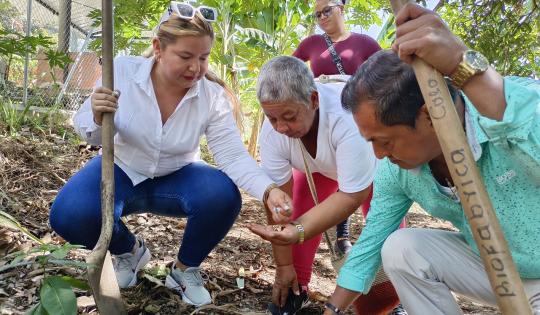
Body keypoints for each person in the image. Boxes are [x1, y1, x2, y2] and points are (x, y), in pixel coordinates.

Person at [48, 2, 291, 307]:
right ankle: (128, 251)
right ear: (158, 48)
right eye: (186, 57)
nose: (196, 68)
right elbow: (87, 132)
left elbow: (232, 156)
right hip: (122, 168)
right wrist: (96, 116)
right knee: (68, 214)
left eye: (203, 58)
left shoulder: (211, 96)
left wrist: (268, 190)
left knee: (223, 195)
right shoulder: (120, 72)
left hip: (179, 176)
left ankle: (184, 269)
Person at [322, 3, 540, 314]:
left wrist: (461, 64)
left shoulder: (516, 110)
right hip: (492, 269)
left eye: (384, 141)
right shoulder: (398, 171)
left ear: (429, 116)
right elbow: (369, 248)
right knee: (401, 249)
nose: (379, 154)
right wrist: (332, 309)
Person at [250, 56, 403, 315]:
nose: (281, 128)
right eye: (273, 118)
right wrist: (283, 266)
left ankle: (393, 299)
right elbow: (277, 202)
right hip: (318, 169)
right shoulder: (273, 127)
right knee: (292, 212)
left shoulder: (346, 118)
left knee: (388, 235)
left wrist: (297, 229)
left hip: (376, 168)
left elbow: (353, 194)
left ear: (313, 99)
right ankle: (295, 287)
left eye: (289, 117)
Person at [293, 0, 382, 256]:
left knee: (372, 187)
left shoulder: (365, 43)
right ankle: (299, 284)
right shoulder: (310, 44)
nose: (321, 17)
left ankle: (387, 281)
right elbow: (288, 71)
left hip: (360, 120)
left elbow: (387, 74)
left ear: (341, 8)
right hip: (323, 124)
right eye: (317, 14)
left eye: (326, 11)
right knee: (312, 190)